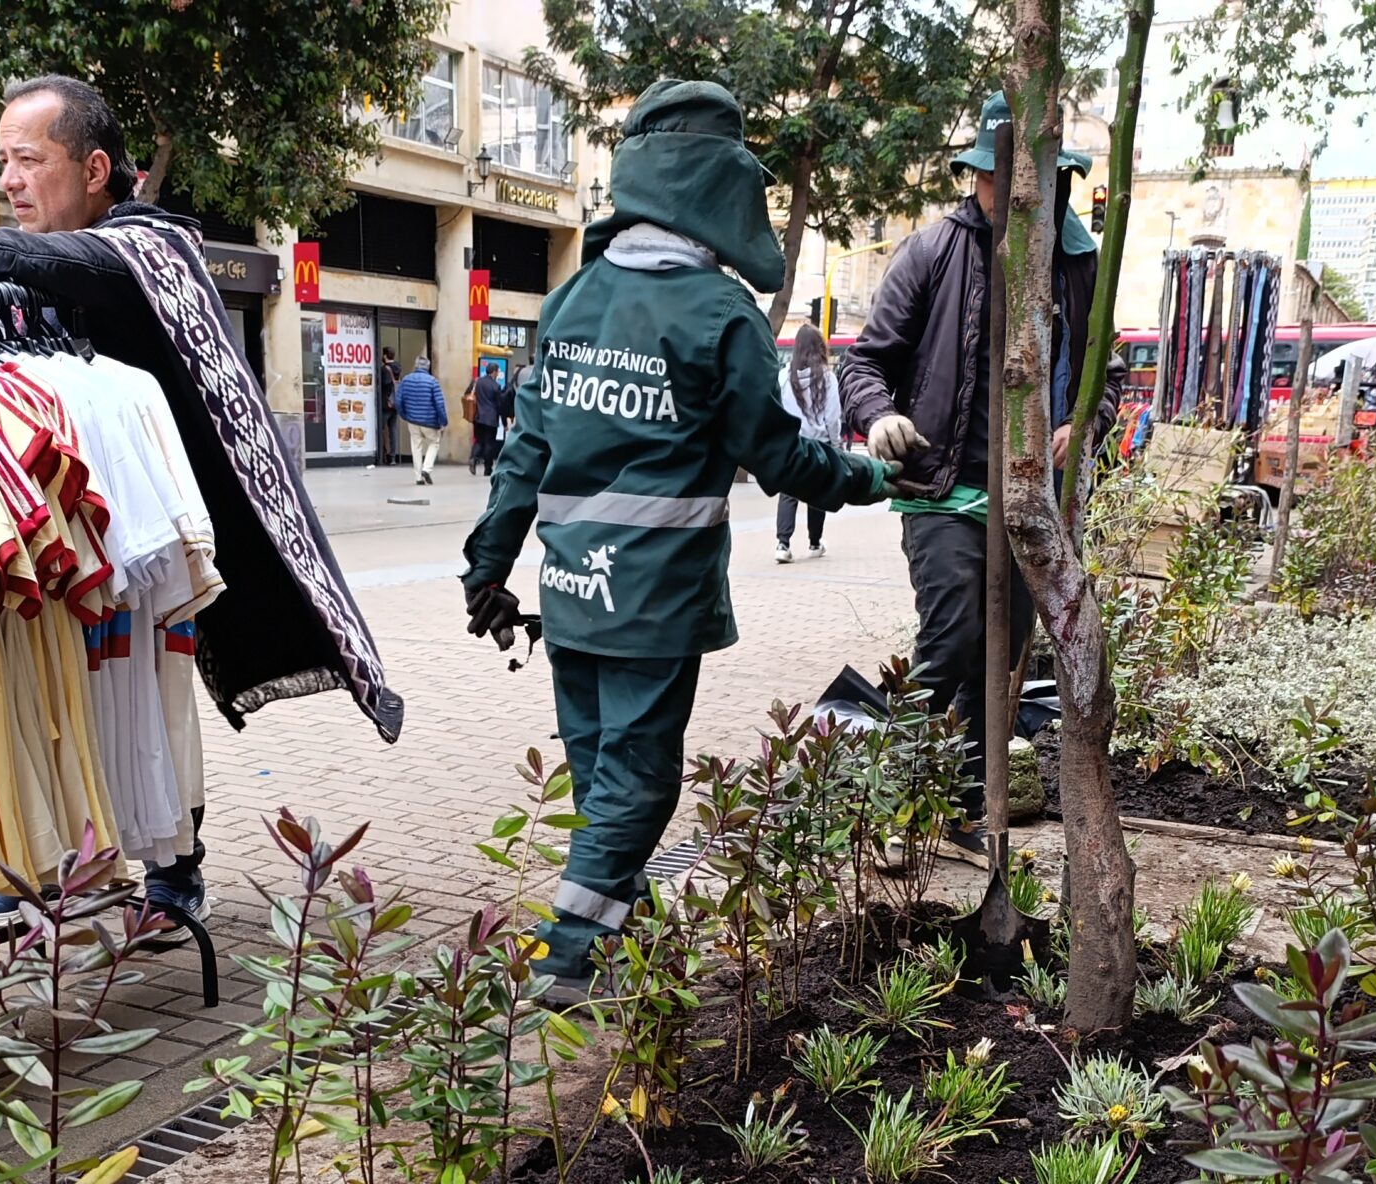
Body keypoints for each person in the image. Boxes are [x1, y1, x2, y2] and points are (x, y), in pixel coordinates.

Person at [459, 79, 905, 1002]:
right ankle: (570, 953)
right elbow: (778, 455)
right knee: (640, 785)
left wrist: (488, 566)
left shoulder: (574, 299)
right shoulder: (720, 314)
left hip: (573, 594)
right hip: (655, 603)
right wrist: (864, 478)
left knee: (600, 778)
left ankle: (625, 947)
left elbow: (525, 452)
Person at [0, 74, 403, 924]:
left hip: (163, 526)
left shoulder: (155, 245)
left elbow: (97, 266)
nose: (9, 180)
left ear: (97, 166)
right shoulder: (33, 280)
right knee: (69, 694)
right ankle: (61, 853)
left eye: (28, 160)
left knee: (157, 689)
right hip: (67, 525)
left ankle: (175, 867)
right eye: (2, 161)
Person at [840, 92, 1122, 838]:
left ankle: (967, 806)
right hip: (943, 490)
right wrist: (881, 417)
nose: (1023, 194)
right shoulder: (933, 250)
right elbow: (867, 361)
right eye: (1005, 177)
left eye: (1042, 178)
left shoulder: (1077, 264)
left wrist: (1082, 419)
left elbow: (1107, 372)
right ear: (978, 176)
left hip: (1032, 499)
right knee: (953, 638)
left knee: (1000, 666)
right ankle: (901, 808)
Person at [775, 323, 843, 563]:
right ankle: (815, 542)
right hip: (820, 444)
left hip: (793, 441)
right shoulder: (827, 378)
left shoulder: (784, 376)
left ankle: (782, 544)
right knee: (817, 492)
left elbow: (778, 410)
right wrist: (836, 445)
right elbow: (833, 416)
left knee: (788, 493)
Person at [396, 353, 449, 484]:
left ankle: (418, 477)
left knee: (416, 447)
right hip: (429, 421)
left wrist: (405, 415)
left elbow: (398, 401)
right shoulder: (432, 381)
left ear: (416, 365)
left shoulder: (406, 380)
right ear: (428, 367)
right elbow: (439, 404)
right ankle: (427, 469)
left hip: (412, 420)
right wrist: (443, 421)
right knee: (434, 443)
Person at [468, 361, 507, 475]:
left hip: (478, 417)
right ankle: (487, 468)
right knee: (489, 443)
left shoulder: (478, 381)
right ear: (494, 372)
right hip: (491, 419)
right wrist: (504, 423)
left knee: (479, 440)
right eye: (497, 372)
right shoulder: (496, 386)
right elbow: (500, 405)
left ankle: (473, 458)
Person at [378, 354, 401, 467]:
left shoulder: (384, 369)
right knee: (392, 430)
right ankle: (392, 456)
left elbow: (385, 383)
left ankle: (381, 454)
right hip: (395, 404)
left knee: (380, 428)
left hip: (385, 403)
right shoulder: (398, 368)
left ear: (385, 355)